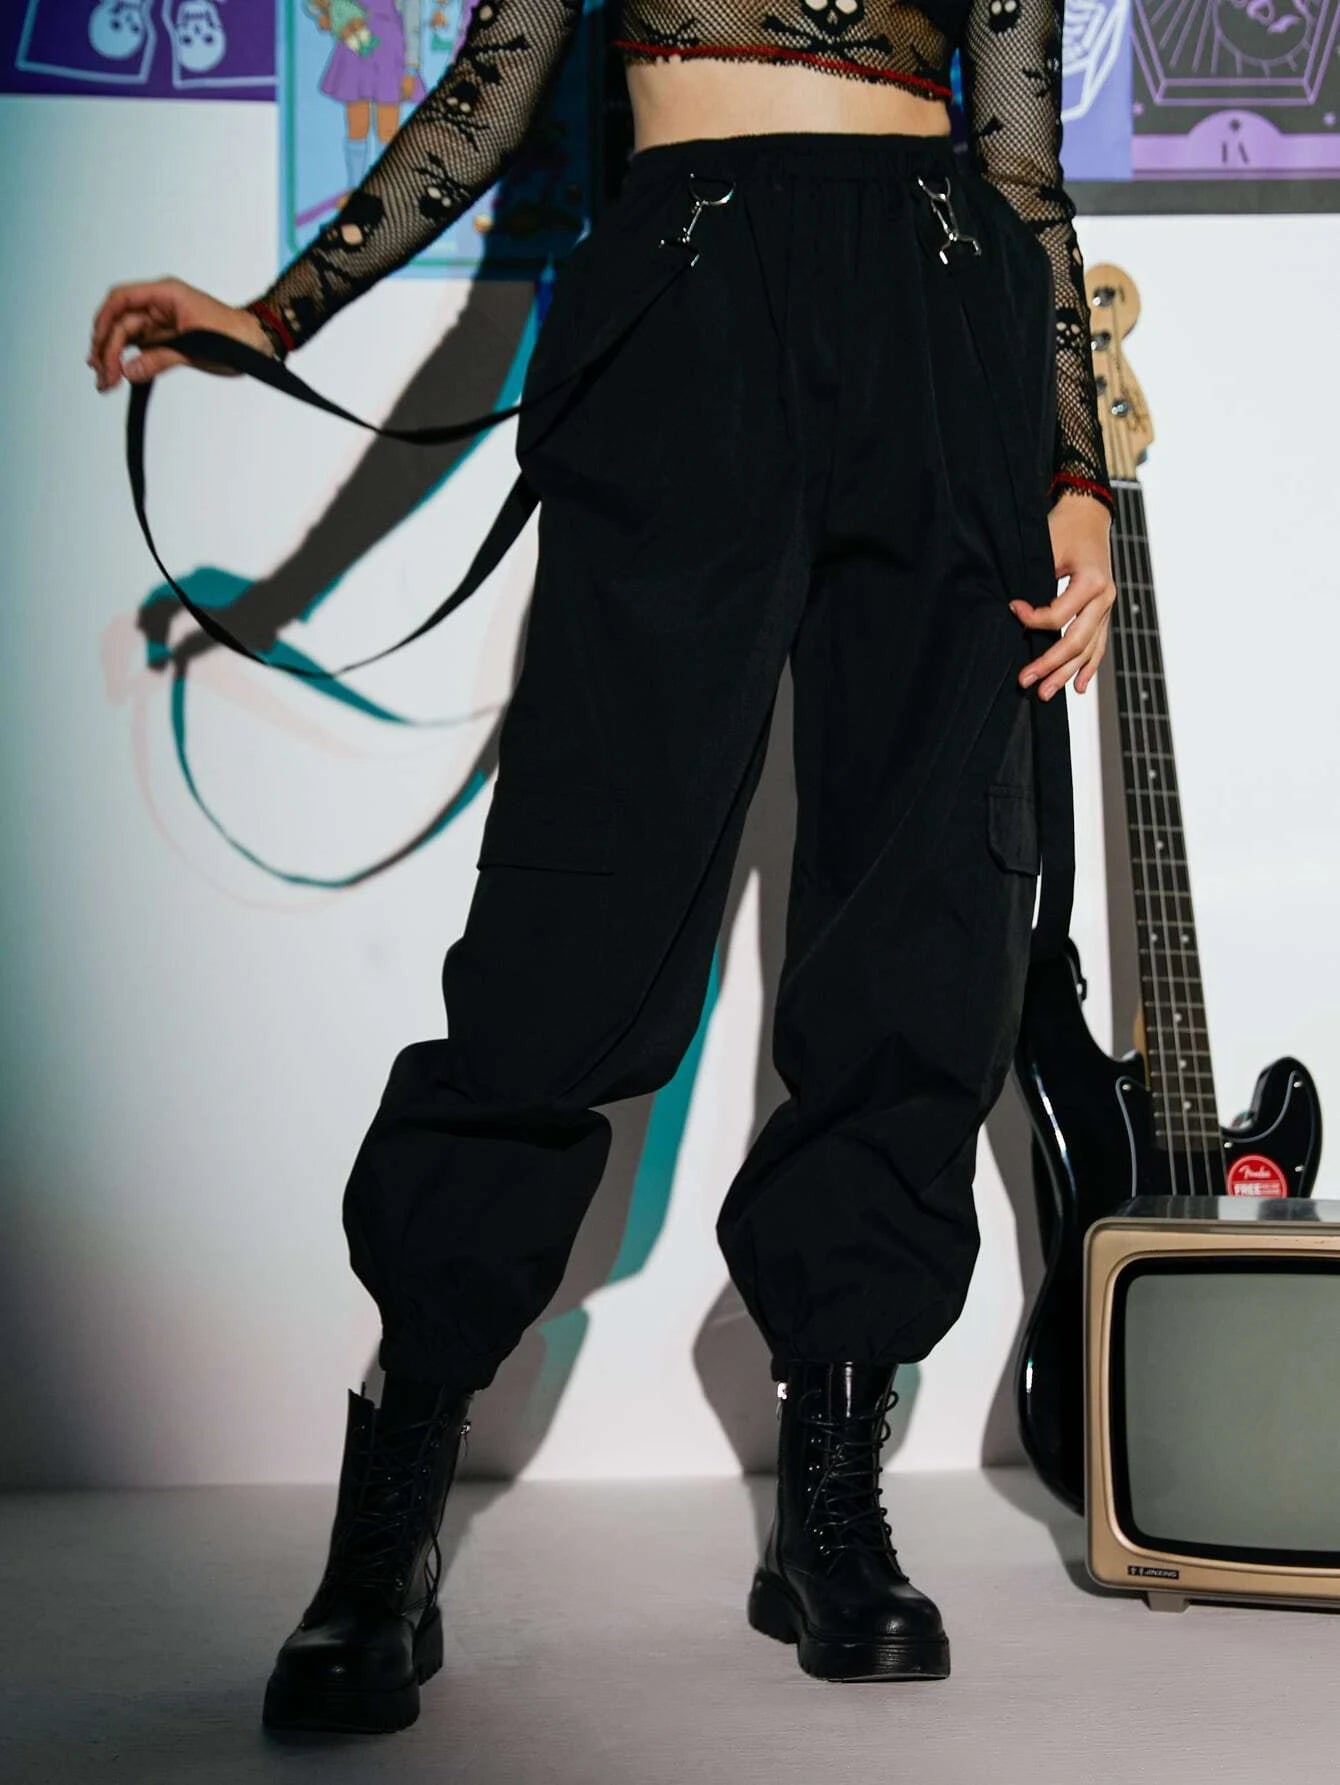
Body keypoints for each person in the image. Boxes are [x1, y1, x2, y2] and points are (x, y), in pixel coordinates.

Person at [88, 0, 1116, 1734]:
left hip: (944, 318)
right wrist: (276, 315)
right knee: (569, 930)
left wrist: (1075, 469)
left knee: (922, 921)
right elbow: (493, 90)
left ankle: (832, 1503)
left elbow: (1019, 165)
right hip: (687, 300)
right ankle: (392, 1512)